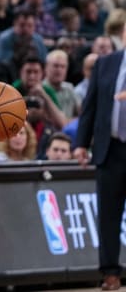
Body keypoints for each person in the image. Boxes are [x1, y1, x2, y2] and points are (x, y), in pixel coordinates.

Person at [74, 27, 126, 291]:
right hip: (111, 148)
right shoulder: (105, 64)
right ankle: (110, 273)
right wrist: (81, 143)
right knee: (108, 215)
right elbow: (90, 107)